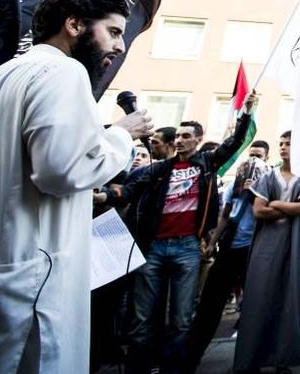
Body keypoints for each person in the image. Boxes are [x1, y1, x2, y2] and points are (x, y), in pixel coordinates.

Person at [0, 0, 152, 373]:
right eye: (115, 31)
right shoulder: (64, 71)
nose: (119, 47)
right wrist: (121, 136)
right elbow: (61, 169)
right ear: (73, 24)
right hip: (31, 287)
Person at [98, 105, 256, 374]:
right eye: (178, 136)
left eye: (186, 136)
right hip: (154, 248)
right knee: (141, 319)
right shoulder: (160, 169)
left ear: (198, 139)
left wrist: (248, 111)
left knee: (181, 320)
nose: (181, 140)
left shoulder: (208, 164)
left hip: (188, 248)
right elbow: (131, 189)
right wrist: (107, 197)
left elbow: (235, 141)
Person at [234, 131, 300, 372]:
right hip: (266, 244)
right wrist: (293, 208)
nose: (283, 147)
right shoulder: (267, 177)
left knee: (290, 299)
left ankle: (283, 360)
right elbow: (259, 211)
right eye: (281, 143)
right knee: (259, 297)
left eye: (289, 143)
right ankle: (252, 359)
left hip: (295, 243)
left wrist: (277, 204)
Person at [182, 150, 269, 373]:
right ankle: (191, 355)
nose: (250, 165)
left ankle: (251, 358)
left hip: (253, 250)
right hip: (230, 248)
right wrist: (213, 242)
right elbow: (226, 214)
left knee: (254, 305)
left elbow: (265, 213)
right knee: (210, 303)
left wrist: (255, 191)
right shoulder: (234, 187)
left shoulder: (267, 183)